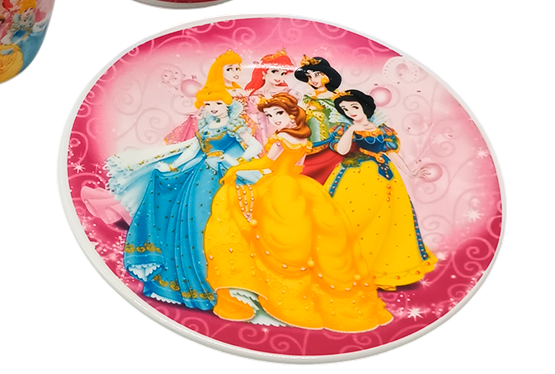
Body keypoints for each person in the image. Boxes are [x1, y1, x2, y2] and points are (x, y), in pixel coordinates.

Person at [203, 93, 393, 331]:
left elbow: (267, 163)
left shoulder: (281, 137)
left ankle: (260, 289)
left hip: (278, 187)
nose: (274, 119)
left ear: (292, 114)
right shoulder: (303, 138)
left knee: (242, 214)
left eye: (278, 113)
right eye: (270, 115)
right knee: (309, 239)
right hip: (299, 186)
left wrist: (236, 170)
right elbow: (299, 166)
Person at [106, 87, 262, 310]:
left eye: (217, 103)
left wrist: (234, 162)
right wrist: (172, 166)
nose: (213, 108)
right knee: (192, 223)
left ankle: (225, 284)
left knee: (218, 225)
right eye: (208, 104)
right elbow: (191, 151)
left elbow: (255, 146)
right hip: (200, 177)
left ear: (227, 105)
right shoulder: (206, 127)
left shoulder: (234, 125)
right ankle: (192, 283)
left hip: (222, 177)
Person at [324, 89, 438, 289]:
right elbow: (342, 150)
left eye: (354, 106)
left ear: (364, 106)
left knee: (386, 221)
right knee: (353, 219)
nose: (350, 111)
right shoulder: (345, 128)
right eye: (345, 109)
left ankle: (378, 272)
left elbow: (391, 153)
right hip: (356, 175)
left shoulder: (383, 129)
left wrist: (410, 172)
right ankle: (346, 269)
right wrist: (351, 130)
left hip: (385, 177)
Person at [293, 55, 345, 184]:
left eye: (316, 75)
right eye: (309, 76)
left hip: (331, 143)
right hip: (310, 144)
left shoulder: (335, 98)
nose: (313, 80)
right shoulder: (308, 97)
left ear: (327, 75)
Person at [244, 49, 296, 145]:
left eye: (282, 73)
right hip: (263, 134)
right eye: (275, 71)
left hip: (284, 131)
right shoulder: (254, 95)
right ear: (264, 72)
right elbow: (251, 115)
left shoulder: (286, 91)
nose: (279, 76)